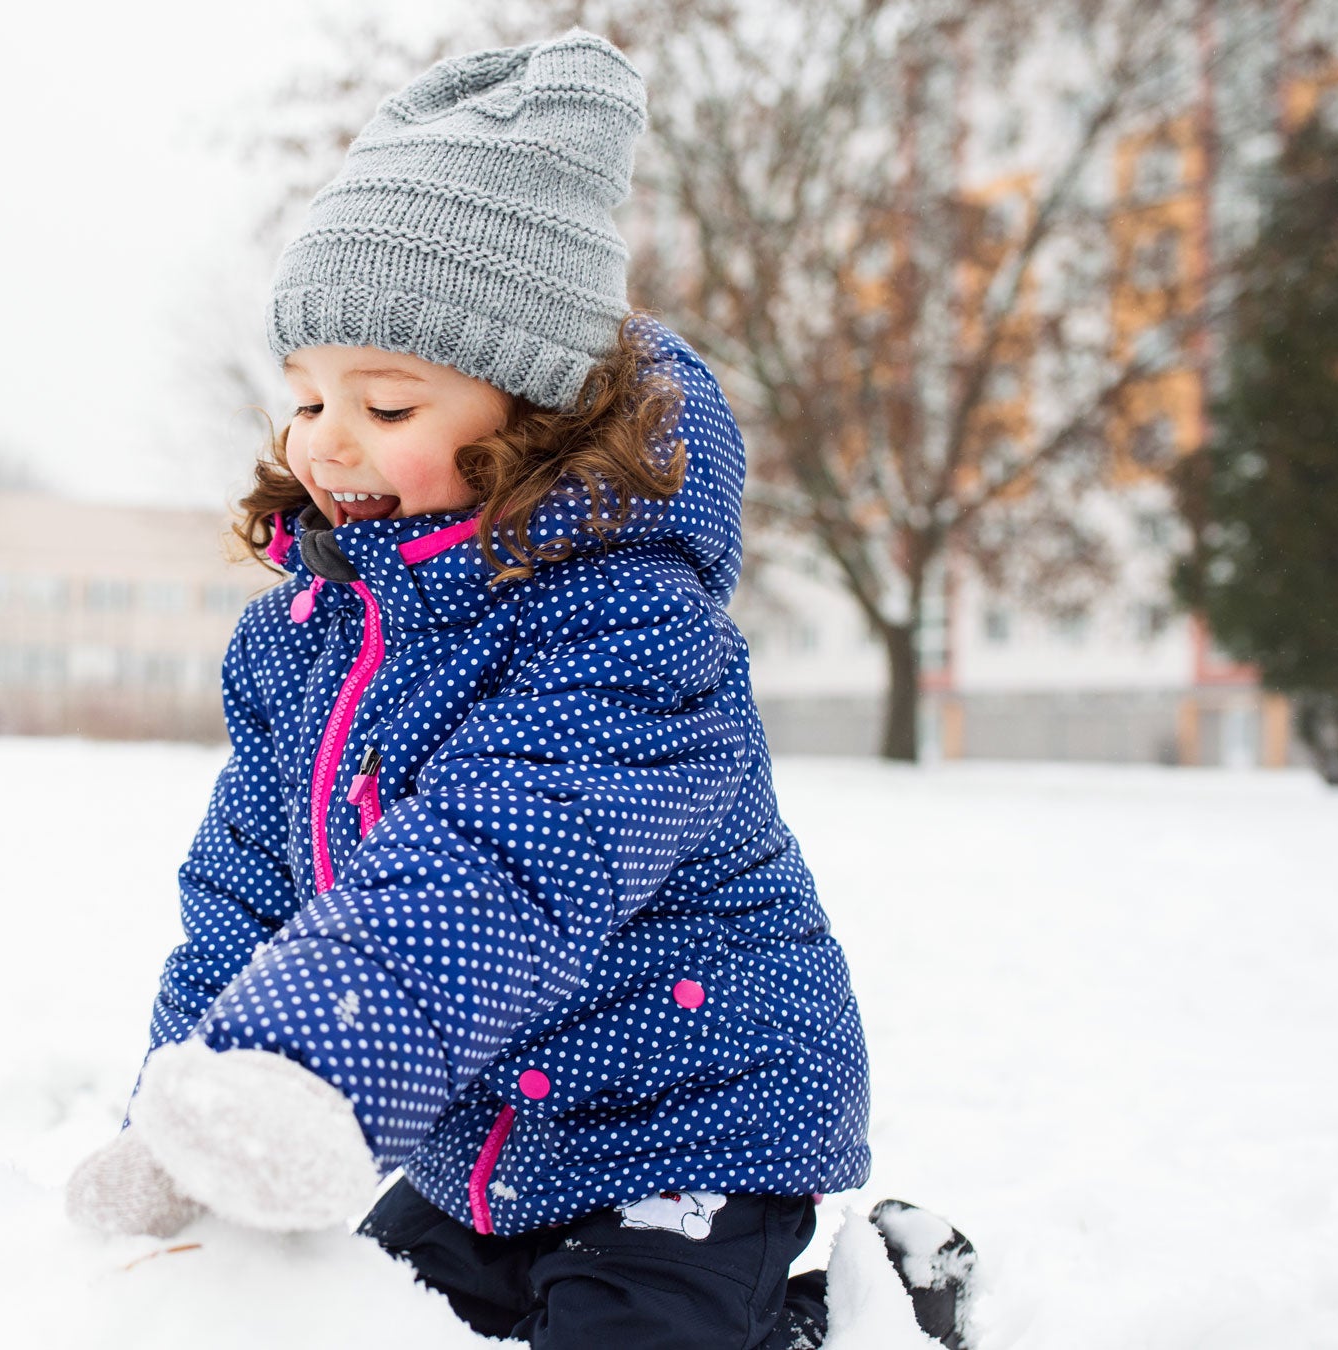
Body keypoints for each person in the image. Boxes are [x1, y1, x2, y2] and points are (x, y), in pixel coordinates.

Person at [65, 29, 976, 1350]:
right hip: (481, 1146)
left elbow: (505, 849)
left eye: (386, 404)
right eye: (308, 396)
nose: (326, 440)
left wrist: (301, 1064)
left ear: (532, 412)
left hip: (687, 1124)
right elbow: (246, 898)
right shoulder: (304, 646)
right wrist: (189, 1114)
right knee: (351, 1318)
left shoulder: (630, 626)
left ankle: (861, 1319)